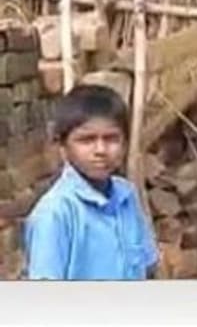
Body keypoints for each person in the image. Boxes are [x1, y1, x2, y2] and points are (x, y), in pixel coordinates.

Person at [23, 83, 158, 280]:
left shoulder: (126, 196)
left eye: (111, 139)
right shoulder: (55, 213)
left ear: (125, 143)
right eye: (86, 140)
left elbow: (147, 266)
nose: (101, 150)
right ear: (62, 146)